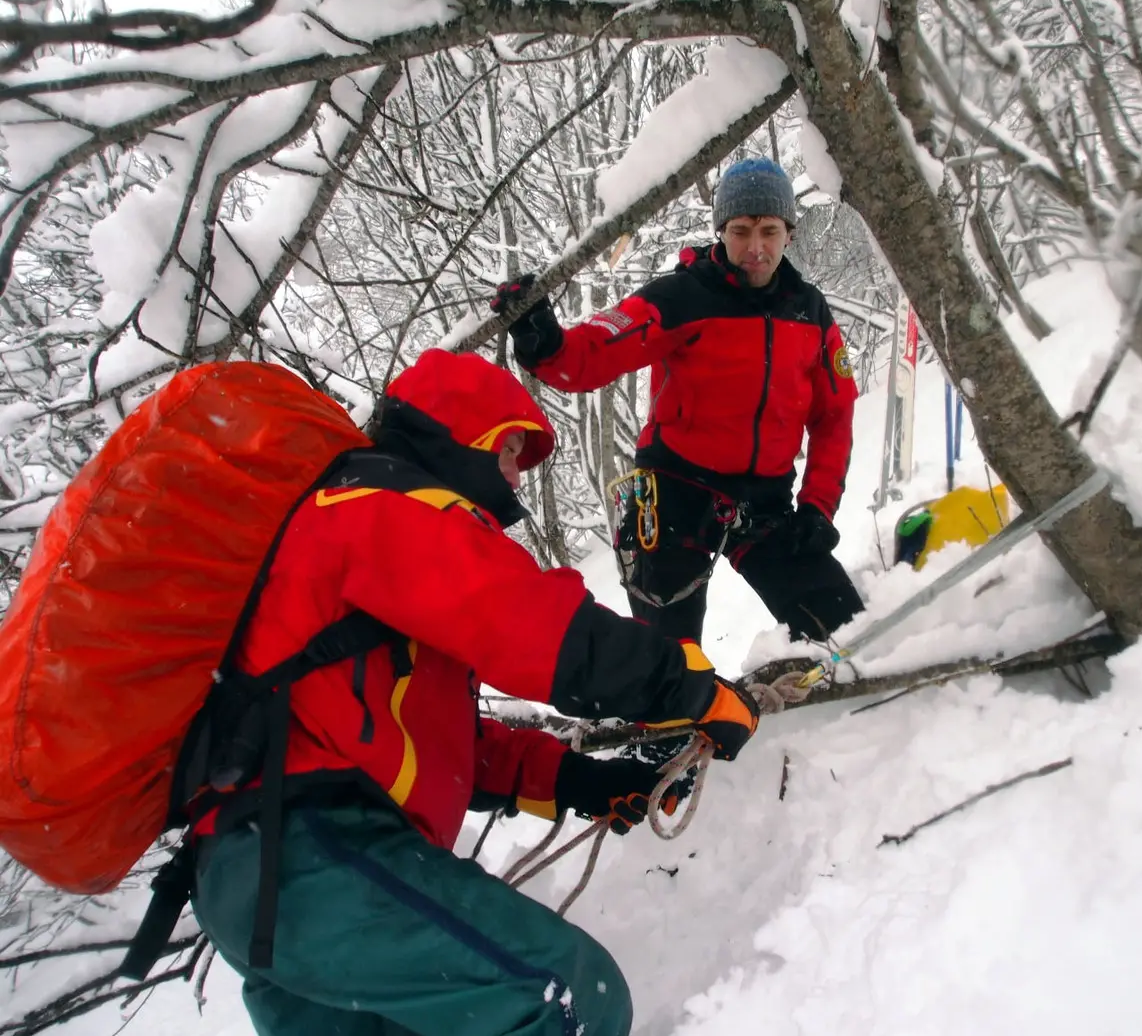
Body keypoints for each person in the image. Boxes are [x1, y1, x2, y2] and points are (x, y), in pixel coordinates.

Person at [189, 348, 760, 1036]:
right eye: (512, 451)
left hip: (277, 877)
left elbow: (446, 741)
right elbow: (536, 628)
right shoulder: (379, 507)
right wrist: (690, 690)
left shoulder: (372, 551)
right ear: (466, 434)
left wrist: (580, 780)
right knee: (567, 997)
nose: (518, 477)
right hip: (312, 857)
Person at [495, 158, 865, 648]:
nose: (755, 247)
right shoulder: (682, 296)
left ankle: (830, 705)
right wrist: (544, 341)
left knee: (845, 629)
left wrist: (818, 507)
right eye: (741, 230)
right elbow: (589, 359)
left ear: (789, 234)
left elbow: (834, 415)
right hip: (676, 493)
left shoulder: (809, 311)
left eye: (769, 231)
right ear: (720, 232)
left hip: (765, 500)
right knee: (666, 658)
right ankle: (674, 716)